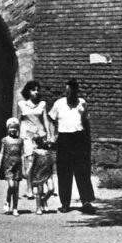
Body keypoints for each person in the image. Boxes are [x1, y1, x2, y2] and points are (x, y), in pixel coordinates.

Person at [48, 78, 96, 213]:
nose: (68, 95)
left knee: (82, 170)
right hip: (64, 139)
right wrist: (52, 136)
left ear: (76, 93)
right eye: (67, 93)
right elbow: (51, 119)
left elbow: (86, 122)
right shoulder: (59, 104)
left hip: (79, 139)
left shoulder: (82, 104)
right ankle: (65, 203)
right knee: (64, 171)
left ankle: (86, 202)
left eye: (71, 93)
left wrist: (87, 140)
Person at [18, 79, 53, 199]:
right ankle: (29, 188)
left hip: (40, 135)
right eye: (33, 90)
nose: (36, 92)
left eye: (38, 90)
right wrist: (19, 137)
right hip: (28, 136)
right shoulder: (22, 105)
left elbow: (46, 120)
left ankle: (40, 185)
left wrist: (48, 134)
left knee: (41, 161)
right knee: (30, 161)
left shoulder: (42, 104)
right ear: (28, 91)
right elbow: (19, 121)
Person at [0, 118, 24, 216]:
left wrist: (23, 168)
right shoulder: (5, 140)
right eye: (11, 128)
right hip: (8, 165)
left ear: (18, 129)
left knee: (16, 188)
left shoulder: (20, 140)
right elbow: (1, 153)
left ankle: (15, 208)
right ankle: (7, 200)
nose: (13, 130)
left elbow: (22, 154)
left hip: (18, 165)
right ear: (8, 128)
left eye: (15, 128)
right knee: (11, 185)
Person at [27, 136, 56, 215]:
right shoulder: (35, 152)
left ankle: (44, 200)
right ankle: (38, 207)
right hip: (39, 174)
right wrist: (30, 173)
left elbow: (51, 163)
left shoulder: (48, 151)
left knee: (51, 189)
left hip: (47, 173)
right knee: (39, 191)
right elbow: (31, 164)